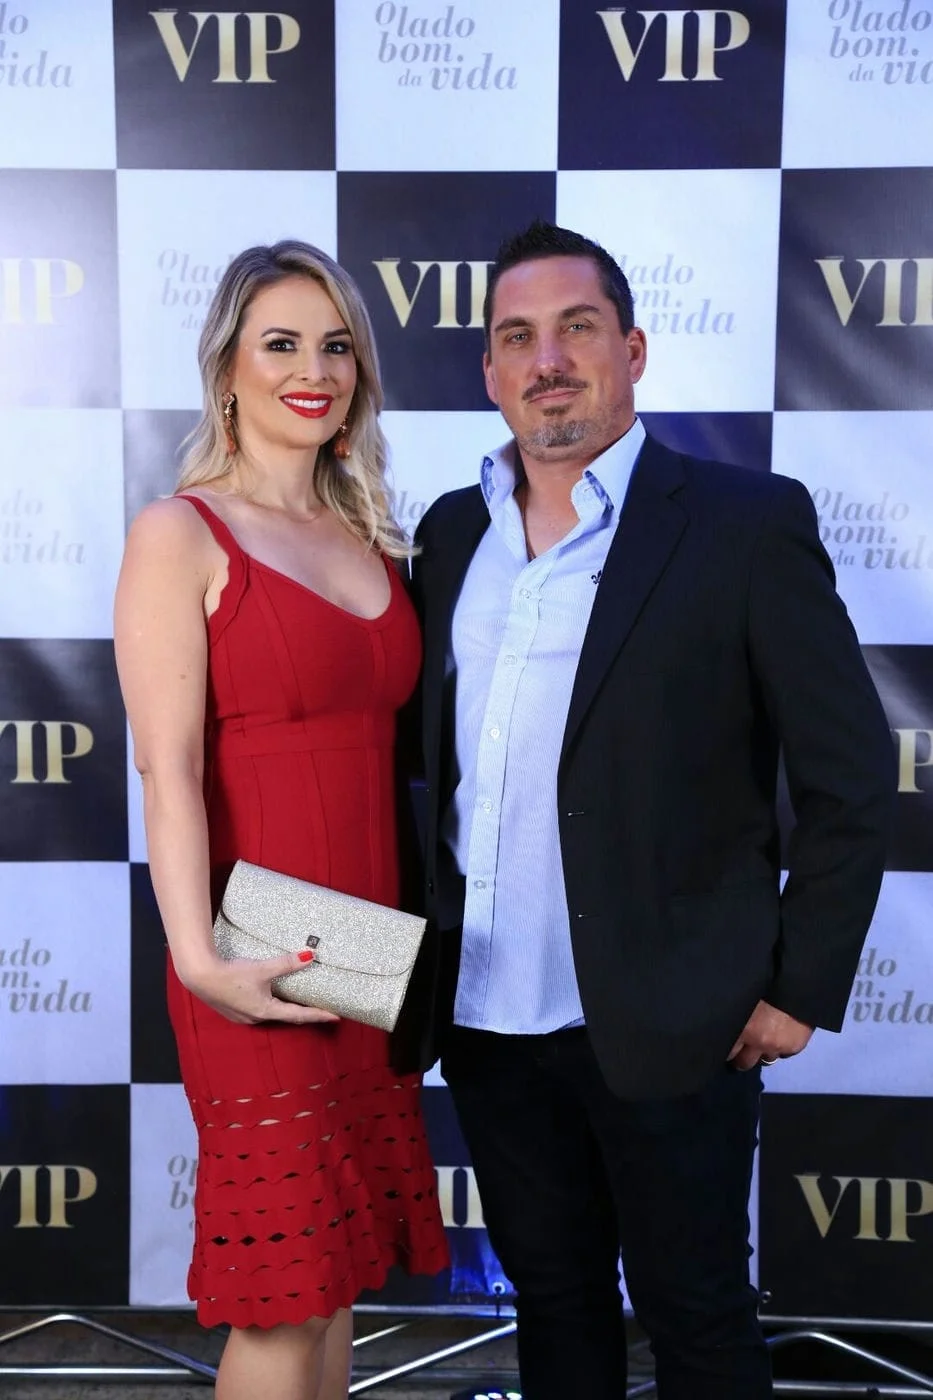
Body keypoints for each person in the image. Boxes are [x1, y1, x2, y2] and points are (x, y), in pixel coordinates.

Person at [400, 220, 895, 1399]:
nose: (548, 360)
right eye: (518, 336)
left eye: (577, 328)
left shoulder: (742, 522)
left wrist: (799, 985)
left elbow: (852, 774)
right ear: (488, 369)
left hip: (678, 1016)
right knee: (553, 1307)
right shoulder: (448, 532)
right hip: (484, 1013)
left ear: (631, 350)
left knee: (698, 1318)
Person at [114, 240, 448, 1400]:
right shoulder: (179, 533)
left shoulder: (372, 536)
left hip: (364, 943)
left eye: (337, 345)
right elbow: (166, 766)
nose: (315, 370)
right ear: (228, 371)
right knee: (284, 1292)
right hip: (253, 942)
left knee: (338, 1275)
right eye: (282, 344)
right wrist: (199, 958)